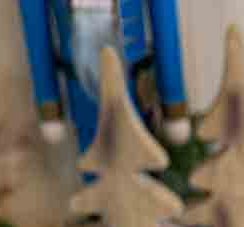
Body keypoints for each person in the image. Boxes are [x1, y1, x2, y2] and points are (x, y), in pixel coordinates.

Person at [17, 0, 191, 153]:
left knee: (142, 157)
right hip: (81, 90)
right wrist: (48, 104)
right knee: (94, 162)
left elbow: (164, 16)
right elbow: (35, 23)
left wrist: (173, 102)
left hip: (133, 85)